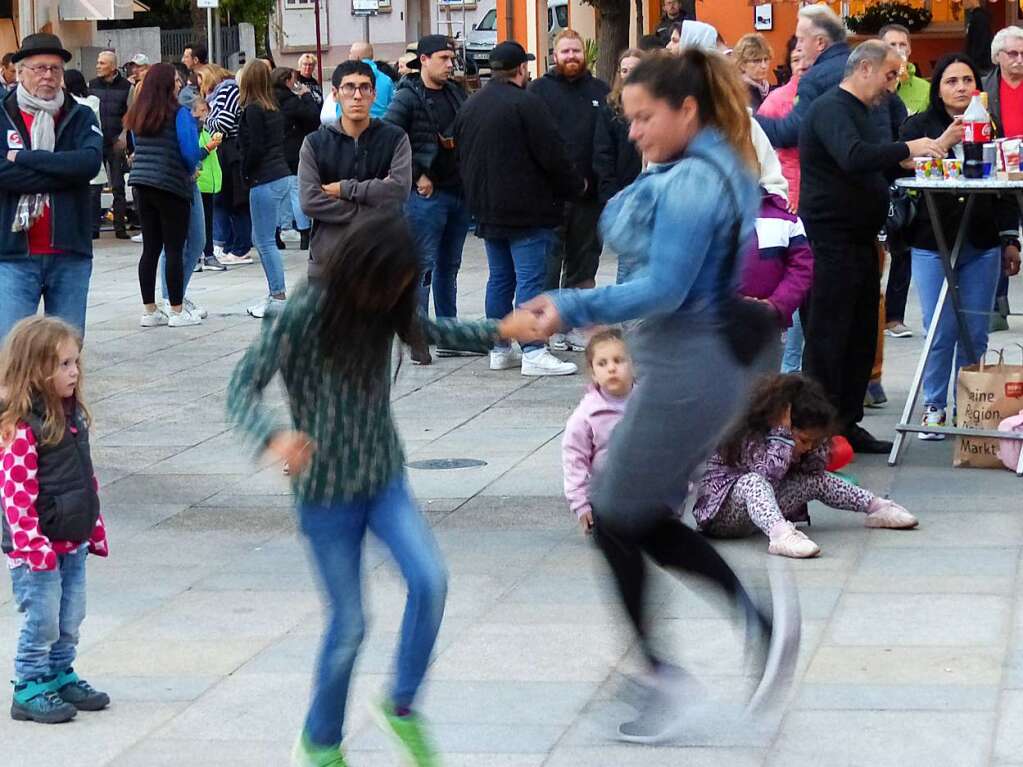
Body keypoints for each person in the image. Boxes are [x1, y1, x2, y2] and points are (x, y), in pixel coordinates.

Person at [524, 50, 792, 741]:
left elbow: (663, 288)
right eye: (629, 118)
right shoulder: (692, 169)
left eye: (645, 117)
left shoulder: (694, 183)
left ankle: (672, 669)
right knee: (624, 513)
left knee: (617, 512)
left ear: (686, 111)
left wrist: (571, 303)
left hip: (688, 369)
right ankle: (727, 633)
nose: (635, 131)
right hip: (681, 365)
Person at [226, 209, 543, 767]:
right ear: (360, 272)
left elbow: (433, 330)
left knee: (430, 580)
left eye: (402, 286)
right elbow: (241, 387)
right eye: (389, 285)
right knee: (349, 625)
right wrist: (274, 436)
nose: (394, 297)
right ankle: (319, 744)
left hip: (383, 477)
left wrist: (500, 329)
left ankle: (399, 708)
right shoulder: (305, 312)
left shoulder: (387, 306)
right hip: (324, 493)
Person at [799, 41, 944, 454]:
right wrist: (906, 149)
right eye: (890, 74)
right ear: (864, 68)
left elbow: (873, 160)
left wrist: (905, 162)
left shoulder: (867, 111)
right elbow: (852, 156)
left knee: (862, 335)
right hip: (830, 241)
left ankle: (847, 423)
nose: (893, 83)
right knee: (830, 338)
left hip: (862, 239)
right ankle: (816, 433)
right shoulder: (832, 108)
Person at [900, 53, 1021, 439]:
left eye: (968, 80)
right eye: (952, 81)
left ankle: (972, 408)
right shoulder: (919, 125)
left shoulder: (990, 123)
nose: (962, 88)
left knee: (974, 330)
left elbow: (1003, 189)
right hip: (933, 241)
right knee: (940, 329)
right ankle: (934, 407)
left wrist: (1009, 240)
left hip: (981, 241)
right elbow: (898, 163)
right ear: (938, 88)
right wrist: (942, 141)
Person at [1, 316, 110, 724]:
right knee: (42, 620)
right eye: (63, 364)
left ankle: (60, 673)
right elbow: (15, 495)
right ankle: (28, 685)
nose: (74, 372)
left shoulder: (72, 416)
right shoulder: (21, 427)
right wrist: (31, 545)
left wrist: (93, 525)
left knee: (70, 617)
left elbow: (85, 478)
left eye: (75, 363)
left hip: (72, 542)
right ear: (34, 369)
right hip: (36, 551)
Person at [454, 41, 584, 377]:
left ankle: (500, 347)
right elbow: (553, 154)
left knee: (499, 279)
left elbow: (460, 155)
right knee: (530, 281)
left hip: (486, 208)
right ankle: (533, 350)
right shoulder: (527, 103)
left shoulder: (471, 105)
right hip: (527, 210)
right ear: (522, 69)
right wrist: (576, 186)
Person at [694, 374, 918, 558]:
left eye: (813, 441)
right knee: (753, 482)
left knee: (816, 480)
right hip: (723, 516)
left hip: (758, 514)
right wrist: (782, 435)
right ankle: (780, 535)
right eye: (802, 440)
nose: (806, 447)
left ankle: (876, 507)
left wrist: (815, 446)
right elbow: (767, 477)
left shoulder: (804, 444)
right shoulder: (752, 434)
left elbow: (814, 471)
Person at [0, 33, 104, 343]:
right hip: (13, 254)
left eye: (55, 69)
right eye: (40, 68)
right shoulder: (2, 115)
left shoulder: (80, 115)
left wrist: (24, 158)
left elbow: (88, 164)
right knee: (12, 354)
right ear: (20, 72)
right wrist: (62, 171)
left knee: (66, 352)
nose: (48, 76)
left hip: (70, 253)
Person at [385, 34, 470, 365]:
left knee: (450, 267)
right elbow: (391, 138)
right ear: (424, 60)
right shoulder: (406, 97)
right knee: (422, 267)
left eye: (452, 59)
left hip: (457, 191)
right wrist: (417, 173)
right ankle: (416, 336)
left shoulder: (456, 93)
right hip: (425, 196)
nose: (450, 64)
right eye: (443, 58)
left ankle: (447, 334)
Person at [529, 29, 610, 352]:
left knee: (584, 264)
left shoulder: (601, 92)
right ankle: (546, 329)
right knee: (548, 264)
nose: (572, 56)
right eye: (565, 52)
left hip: (590, 198)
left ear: (585, 54)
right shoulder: (538, 92)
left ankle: (575, 324)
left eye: (576, 51)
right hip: (550, 197)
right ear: (554, 56)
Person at [299, 60, 411, 282]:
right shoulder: (315, 143)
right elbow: (310, 200)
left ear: (374, 94)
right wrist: (372, 210)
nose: (357, 95)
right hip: (330, 260)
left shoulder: (395, 138)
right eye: (349, 87)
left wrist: (344, 189)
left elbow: (398, 190)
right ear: (336, 94)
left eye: (364, 88)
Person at [125, 62, 210, 328]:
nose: (178, 84)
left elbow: (137, 145)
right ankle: (176, 309)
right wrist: (194, 164)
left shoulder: (138, 113)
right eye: (174, 80)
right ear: (165, 84)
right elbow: (188, 151)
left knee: (151, 248)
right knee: (174, 248)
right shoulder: (179, 113)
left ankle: (150, 310)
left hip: (141, 183)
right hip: (171, 184)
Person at [562, 329, 635, 534]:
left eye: (618, 360)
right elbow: (574, 458)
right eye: (602, 363)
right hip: (607, 496)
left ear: (633, 364)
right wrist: (580, 504)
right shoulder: (587, 414)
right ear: (593, 372)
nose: (611, 368)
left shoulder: (648, 404)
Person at [237, 60, 292, 319]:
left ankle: (278, 295)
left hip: (264, 179)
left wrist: (246, 172)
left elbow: (254, 147)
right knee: (267, 238)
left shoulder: (252, 110)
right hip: (280, 174)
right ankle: (275, 294)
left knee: (264, 241)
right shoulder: (273, 107)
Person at [755, 4, 849, 149]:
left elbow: (790, 133)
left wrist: (748, 120)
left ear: (820, 43)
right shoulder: (863, 66)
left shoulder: (815, 79)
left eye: (801, 39)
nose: (798, 47)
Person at [984, 26, 1023, 332]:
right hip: (998, 172)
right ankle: (997, 304)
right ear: (997, 57)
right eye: (1012, 53)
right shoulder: (983, 92)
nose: (1019, 59)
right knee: (997, 234)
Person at [200, 64, 252, 266]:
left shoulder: (227, 90)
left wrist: (206, 121)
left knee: (236, 201)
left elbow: (223, 122)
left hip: (231, 151)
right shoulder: (222, 93)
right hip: (227, 151)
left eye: (201, 78)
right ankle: (232, 246)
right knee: (228, 201)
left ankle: (240, 248)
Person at [272, 66, 319, 251]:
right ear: (286, 81)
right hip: (293, 150)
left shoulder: (267, 99)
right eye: (293, 79)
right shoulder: (291, 101)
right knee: (295, 191)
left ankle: (275, 234)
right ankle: (304, 232)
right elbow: (313, 118)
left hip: (274, 151)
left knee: (277, 194)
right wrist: (306, 95)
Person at [593, 48, 643, 214]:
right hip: (619, 194)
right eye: (624, 70)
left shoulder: (656, 105)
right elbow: (603, 156)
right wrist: (613, 198)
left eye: (634, 70)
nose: (628, 75)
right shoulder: (609, 108)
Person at [89, 50, 131, 240]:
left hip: (115, 141)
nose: (98, 66)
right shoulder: (92, 85)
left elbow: (130, 113)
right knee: (95, 186)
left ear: (113, 67)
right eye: (98, 62)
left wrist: (123, 135)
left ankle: (120, 226)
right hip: (97, 141)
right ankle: (93, 227)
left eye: (102, 63)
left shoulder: (126, 87)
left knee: (118, 186)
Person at [63, 70, 110, 242]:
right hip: (92, 149)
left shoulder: (69, 104)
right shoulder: (94, 101)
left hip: (73, 154)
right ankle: (94, 227)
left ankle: (81, 227)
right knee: (94, 195)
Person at [880, 24, 929, 116]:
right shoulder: (871, 85)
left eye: (902, 45)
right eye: (892, 45)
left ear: (909, 50)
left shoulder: (926, 89)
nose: (898, 50)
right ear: (881, 50)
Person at [349, 42, 394, 117]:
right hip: (380, 125)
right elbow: (391, 108)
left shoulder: (347, 78)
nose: (348, 56)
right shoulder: (386, 80)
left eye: (350, 53)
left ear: (357, 57)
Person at [735, 33, 774, 111]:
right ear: (742, 64)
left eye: (766, 59)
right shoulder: (739, 92)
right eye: (756, 61)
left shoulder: (768, 89)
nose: (764, 66)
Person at [965, 0, 994, 77]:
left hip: (980, 66)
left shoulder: (979, 18)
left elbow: (980, 43)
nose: (963, 3)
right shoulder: (976, 17)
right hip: (979, 65)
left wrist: (972, 62)